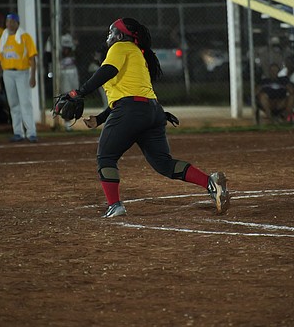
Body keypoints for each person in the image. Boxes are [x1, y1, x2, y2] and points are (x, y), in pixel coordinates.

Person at [65, 17, 229, 218]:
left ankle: (115, 205)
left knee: (106, 157)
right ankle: (210, 182)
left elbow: (107, 72)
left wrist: (79, 92)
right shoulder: (137, 53)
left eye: (112, 32)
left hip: (132, 111)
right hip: (152, 111)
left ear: (121, 35)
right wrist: (100, 119)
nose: (109, 36)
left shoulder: (120, 47)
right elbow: (129, 94)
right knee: (163, 164)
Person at [0, 13, 39, 142]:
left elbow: (32, 58)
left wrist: (32, 76)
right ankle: (18, 132)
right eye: (8, 22)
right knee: (13, 104)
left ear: (17, 23)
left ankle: (31, 132)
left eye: (12, 22)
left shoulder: (24, 37)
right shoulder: (3, 37)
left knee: (25, 102)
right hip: (8, 73)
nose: (9, 24)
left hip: (22, 73)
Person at [59, 33, 80, 131]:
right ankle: (67, 123)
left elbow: (78, 54)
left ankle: (69, 121)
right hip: (63, 73)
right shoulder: (56, 38)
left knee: (74, 97)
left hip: (73, 73)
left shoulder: (71, 38)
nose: (66, 50)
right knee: (66, 98)